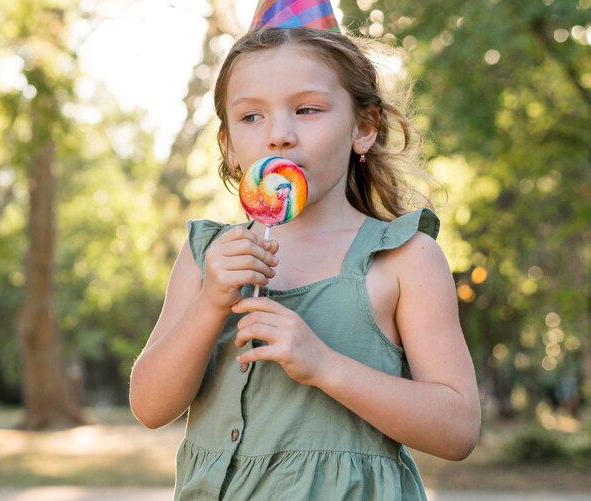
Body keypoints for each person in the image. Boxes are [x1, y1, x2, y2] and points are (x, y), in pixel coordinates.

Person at [130, 1, 481, 499]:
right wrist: (211, 302)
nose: (279, 134)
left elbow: (458, 429)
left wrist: (324, 365)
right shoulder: (205, 254)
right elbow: (149, 407)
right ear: (229, 145)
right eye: (251, 116)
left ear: (363, 127)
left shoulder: (404, 258)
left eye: (307, 109)